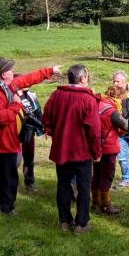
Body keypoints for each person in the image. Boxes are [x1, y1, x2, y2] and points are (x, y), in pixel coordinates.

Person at [0, 57, 61, 215]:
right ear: (3, 74)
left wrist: (49, 71)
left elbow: (26, 79)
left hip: (5, 141)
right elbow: (1, 118)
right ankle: (6, 208)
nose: (13, 72)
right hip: (0, 143)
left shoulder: (4, 86)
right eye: (10, 70)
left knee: (2, 176)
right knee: (9, 178)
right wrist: (17, 104)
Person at [42, 64, 102, 233]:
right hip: (82, 151)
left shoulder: (56, 95)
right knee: (83, 187)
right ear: (83, 78)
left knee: (63, 185)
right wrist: (96, 152)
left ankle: (64, 221)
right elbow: (94, 130)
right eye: (87, 76)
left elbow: (46, 118)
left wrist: (56, 133)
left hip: (62, 149)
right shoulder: (88, 99)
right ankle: (81, 223)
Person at [91, 85, 128, 215]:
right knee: (107, 175)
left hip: (96, 145)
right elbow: (125, 126)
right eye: (122, 98)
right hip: (108, 146)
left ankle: (94, 202)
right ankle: (105, 204)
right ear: (118, 97)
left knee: (96, 174)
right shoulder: (112, 111)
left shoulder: (97, 104)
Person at [112, 70, 129, 190]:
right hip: (121, 131)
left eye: (118, 81)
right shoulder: (113, 92)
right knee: (122, 157)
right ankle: (127, 179)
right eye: (114, 81)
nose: (115, 83)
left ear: (125, 81)